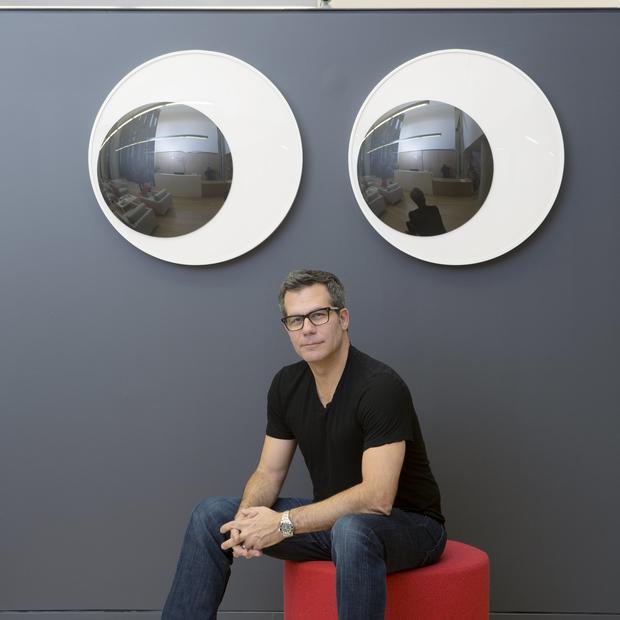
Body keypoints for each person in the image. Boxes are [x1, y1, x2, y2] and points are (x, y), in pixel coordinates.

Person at [161, 270, 446, 620]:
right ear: (287, 329)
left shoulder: (380, 387)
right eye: (295, 320)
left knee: (352, 529)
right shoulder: (287, 384)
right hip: (331, 523)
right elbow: (269, 471)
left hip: (407, 527)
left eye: (318, 315)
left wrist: (280, 525)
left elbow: (377, 498)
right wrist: (247, 521)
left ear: (343, 318)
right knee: (210, 515)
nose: (307, 328)